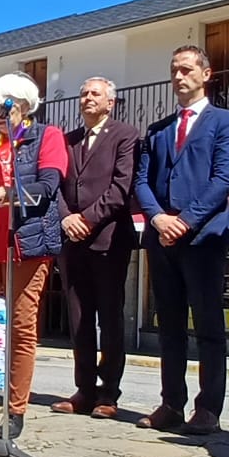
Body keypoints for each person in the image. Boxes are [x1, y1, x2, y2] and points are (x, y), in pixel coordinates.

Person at [134, 47, 229, 434]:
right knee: (170, 326)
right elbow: (142, 182)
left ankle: (209, 407)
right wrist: (158, 218)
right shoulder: (158, 130)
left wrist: (186, 220)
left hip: (204, 237)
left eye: (186, 69)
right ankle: (171, 403)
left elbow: (225, 179)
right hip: (162, 239)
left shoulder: (227, 122)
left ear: (206, 74)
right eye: (173, 70)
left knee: (209, 325)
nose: (179, 77)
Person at [0, 73, 67, 439]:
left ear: (21, 104)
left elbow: (48, 185)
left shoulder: (47, 137)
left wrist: (6, 192)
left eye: (1, 106)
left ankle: (16, 410)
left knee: (22, 328)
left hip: (27, 243)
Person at [53, 77, 141, 419]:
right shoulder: (68, 140)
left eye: (94, 94)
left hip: (108, 240)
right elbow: (55, 185)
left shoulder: (125, 135)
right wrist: (66, 219)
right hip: (72, 243)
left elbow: (121, 188)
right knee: (79, 319)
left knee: (110, 318)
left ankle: (108, 393)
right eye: (83, 93)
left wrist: (86, 220)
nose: (87, 98)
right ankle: (84, 389)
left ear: (111, 102)